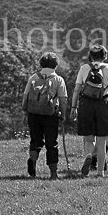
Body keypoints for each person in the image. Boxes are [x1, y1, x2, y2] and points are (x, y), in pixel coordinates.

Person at [70, 45, 108, 178]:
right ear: (105, 56)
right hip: (103, 104)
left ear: (90, 56)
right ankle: (100, 172)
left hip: (86, 104)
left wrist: (73, 107)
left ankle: (88, 156)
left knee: (88, 138)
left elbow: (77, 89)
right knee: (101, 141)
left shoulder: (84, 68)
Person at [21, 52, 68, 180]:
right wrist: (63, 114)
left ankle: (33, 158)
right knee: (51, 143)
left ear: (41, 64)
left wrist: (25, 111)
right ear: (56, 65)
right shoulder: (58, 79)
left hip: (33, 113)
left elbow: (25, 96)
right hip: (50, 114)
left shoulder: (34, 77)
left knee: (35, 140)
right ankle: (53, 174)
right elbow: (63, 99)